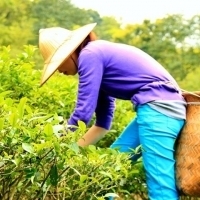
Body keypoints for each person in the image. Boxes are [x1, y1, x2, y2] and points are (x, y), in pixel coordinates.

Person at [39, 23, 186, 200]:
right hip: (154, 109)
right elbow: (103, 124)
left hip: (160, 110)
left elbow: (82, 114)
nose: (59, 72)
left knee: (160, 185)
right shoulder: (97, 56)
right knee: (106, 171)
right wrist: (68, 155)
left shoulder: (89, 55)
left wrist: (57, 147)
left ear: (70, 53)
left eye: (58, 64)